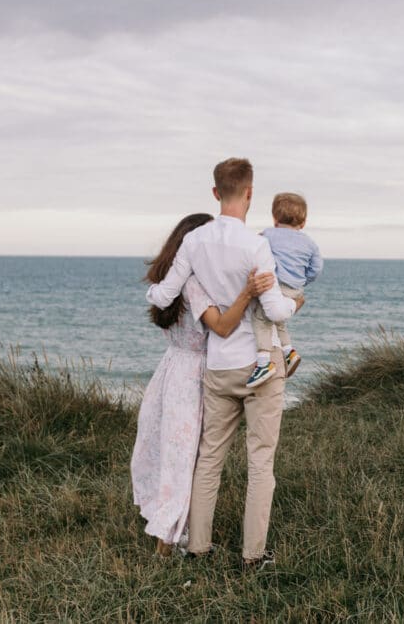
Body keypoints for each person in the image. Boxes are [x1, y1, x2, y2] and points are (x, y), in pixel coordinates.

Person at [146, 157, 303, 569]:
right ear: (250, 193)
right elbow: (277, 311)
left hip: (217, 367)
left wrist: (155, 298)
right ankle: (252, 556)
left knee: (210, 458)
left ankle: (198, 546)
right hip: (260, 367)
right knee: (260, 462)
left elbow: (165, 294)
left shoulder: (194, 242)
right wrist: (296, 301)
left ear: (216, 193)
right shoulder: (257, 245)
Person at [131, 213, 275, 557]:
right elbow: (223, 327)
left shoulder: (167, 280)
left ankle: (175, 536)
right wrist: (247, 292)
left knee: (171, 457)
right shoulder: (193, 284)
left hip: (170, 369)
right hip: (193, 375)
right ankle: (166, 547)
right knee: (184, 461)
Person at [246, 192, 323, 386]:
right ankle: (289, 351)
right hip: (296, 289)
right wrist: (304, 280)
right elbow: (317, 268)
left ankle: (263, 363)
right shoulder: (310, 243)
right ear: (303, 222)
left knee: (261, 318)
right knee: (279, 321)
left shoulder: (268, 234)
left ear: (274, 218)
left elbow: (252, 247)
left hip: (276, 286)